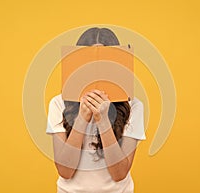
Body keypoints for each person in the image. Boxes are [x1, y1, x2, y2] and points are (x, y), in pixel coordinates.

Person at [46, 27, 146, 193]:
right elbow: (65, 171)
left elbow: (119, 173)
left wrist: (103, 120)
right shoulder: (58, 104)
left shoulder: (134, 106)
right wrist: (82, 119)